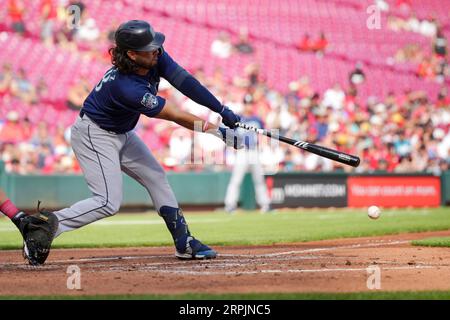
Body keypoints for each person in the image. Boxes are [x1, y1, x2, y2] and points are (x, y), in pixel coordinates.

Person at [16, 20, 244, 266]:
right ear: (132, 54)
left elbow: (184, 81)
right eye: (149, 48)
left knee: (156, 176)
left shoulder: (154, 57)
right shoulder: (127, 88)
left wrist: (220, 108)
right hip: (95, 134)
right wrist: (217, 132)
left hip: (121, 132)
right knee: (107, 202)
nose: (156, 50)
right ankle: (43, 227)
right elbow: (176, 115)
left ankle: (184, 242)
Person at [224, 96, 271, 213]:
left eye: (250, 103)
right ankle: (230, 204)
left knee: (259, 179)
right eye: (247, 103)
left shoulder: (257, 119)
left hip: (254, 151)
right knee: (236, 179)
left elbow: (263, 135)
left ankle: (265, 204)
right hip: (242, 151)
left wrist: (263, 148)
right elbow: (231, 135)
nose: (249, 106)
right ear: (244, 104)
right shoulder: (238, 118)